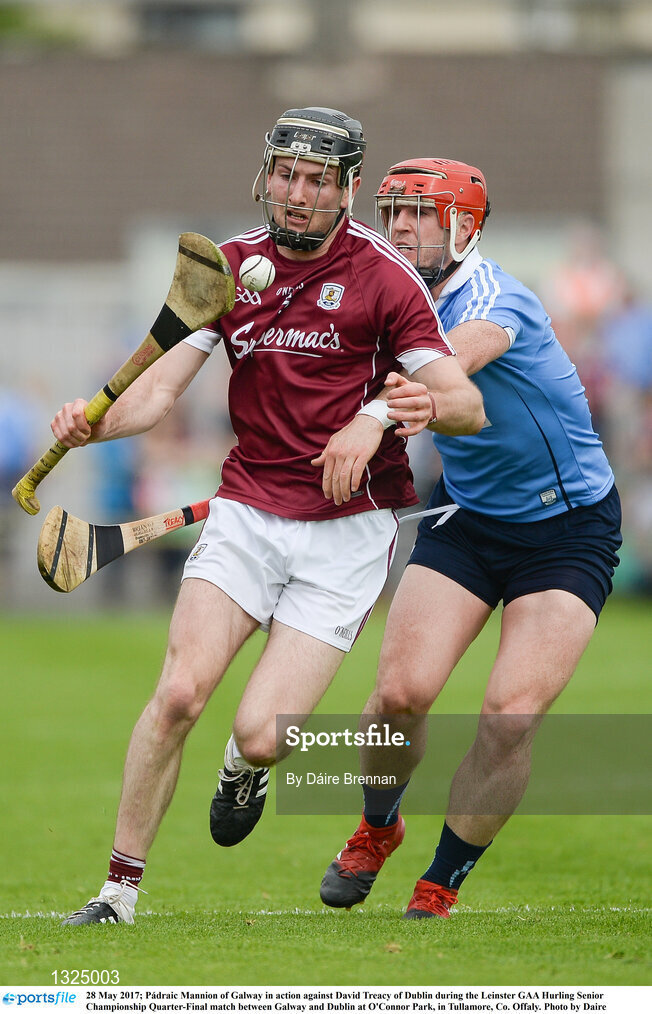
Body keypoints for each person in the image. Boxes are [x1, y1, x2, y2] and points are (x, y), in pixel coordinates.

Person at [51, 113, 484, 925]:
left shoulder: (385, 277)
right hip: (248, 511)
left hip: (349, 532)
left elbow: (464, 401)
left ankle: (244, 769)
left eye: (317, 180)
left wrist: (388, 416)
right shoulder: (229, 268)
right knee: (178, 692)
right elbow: (155, 393)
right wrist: (92, 422)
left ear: (349, 187)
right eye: (286, 174)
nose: (297, 193)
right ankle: (118, 890)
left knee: (260, 735)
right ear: (267, 175)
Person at [319, 158, 622, 919]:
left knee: (508, 712)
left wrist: (374, 415)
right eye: (392, 214)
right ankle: (377, 827)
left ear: (464, 226)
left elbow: (450, 367)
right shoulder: (384, 299)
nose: (400, 229)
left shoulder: (491, 295)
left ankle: (441, 880)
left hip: (568, 529)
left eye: (419, 214)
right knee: (398, 695)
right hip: (471, 517)